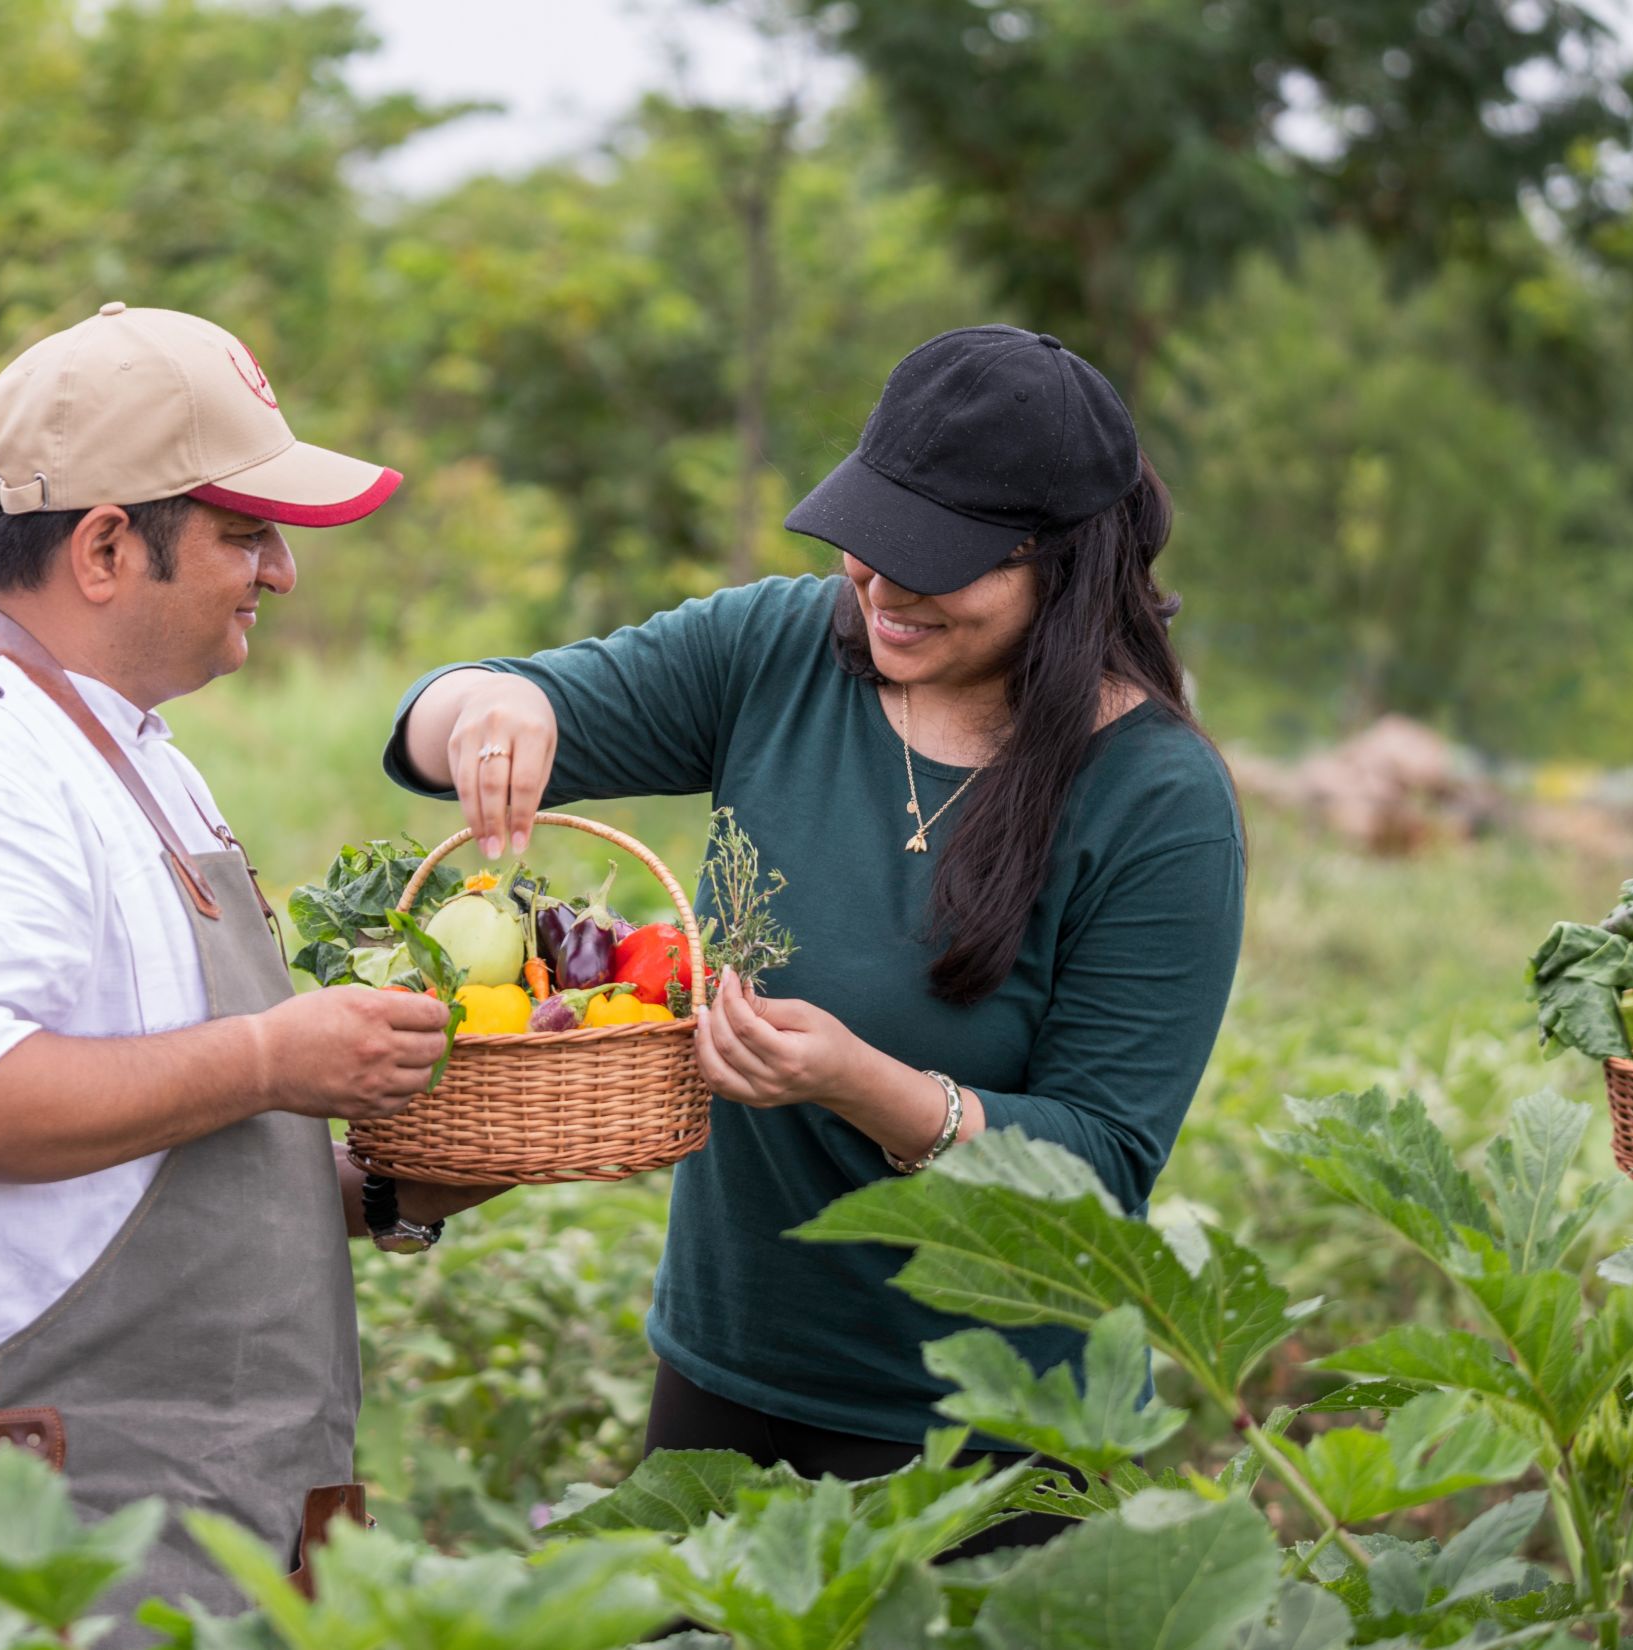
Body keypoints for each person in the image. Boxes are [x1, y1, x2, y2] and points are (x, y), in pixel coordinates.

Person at [386, 325, 1244, 1550]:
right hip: (728, 1370)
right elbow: (441, 720)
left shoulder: (1156, 802)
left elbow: (1100, 1165)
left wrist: (862, 1087)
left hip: (988, 1430)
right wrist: (495, 704)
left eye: (931, 565)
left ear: (1062, 565)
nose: (880, 589)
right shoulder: (779, 653)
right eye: (869, 544)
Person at [0, 302, 480, 1645]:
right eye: (242, 532)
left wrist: (402, 1184)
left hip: (199, 1511)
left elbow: (167, 1156)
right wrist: (278, 1057)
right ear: (104, 545)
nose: (277, 570)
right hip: (30, 1537)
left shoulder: (135, 753)